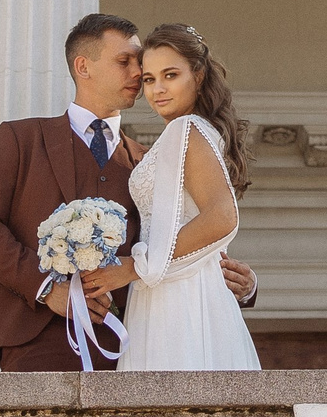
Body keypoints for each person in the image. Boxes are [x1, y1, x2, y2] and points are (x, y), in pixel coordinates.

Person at [0, 13, 258, 371]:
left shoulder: (151, 159)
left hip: (129, 341)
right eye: (125, 61)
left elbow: (199, 225)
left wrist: (242, 284)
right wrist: (48, 290)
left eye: (141, 65)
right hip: (33, 336)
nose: (137, 73)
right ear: (83, 66)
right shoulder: (21, 139)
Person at [85, 22, 262, 371]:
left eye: (170, 75)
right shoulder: (187, 133)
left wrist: (134, 266)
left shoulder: (187, 128)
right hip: (169, 285)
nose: (158, 89)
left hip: (178, 293)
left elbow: (222, 218)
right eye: (149, 79)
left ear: (197, 76)